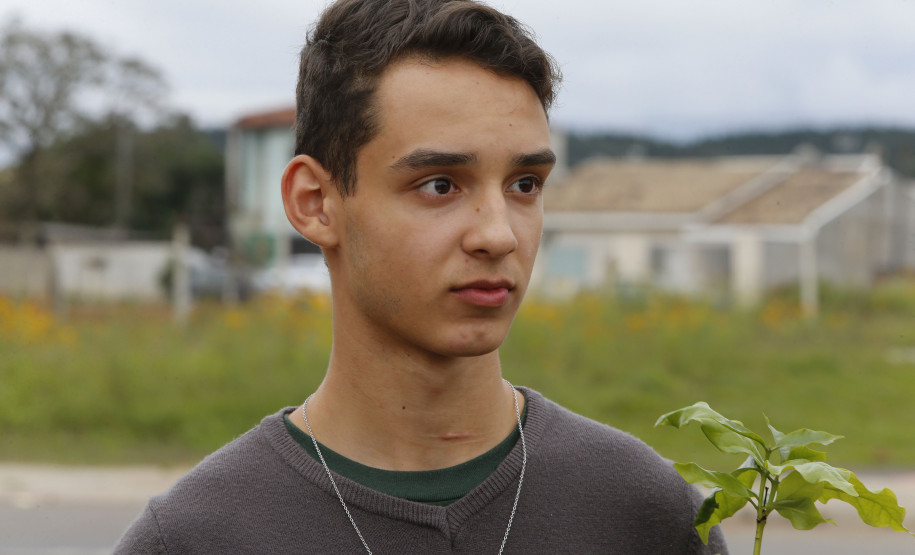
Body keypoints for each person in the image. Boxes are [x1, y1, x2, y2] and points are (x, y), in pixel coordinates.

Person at [116, 0, 728, 553]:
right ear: (315, 202)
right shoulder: (198, 540)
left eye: (524, 184)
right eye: (440, 185)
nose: (498, 234)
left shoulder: (648, 516)